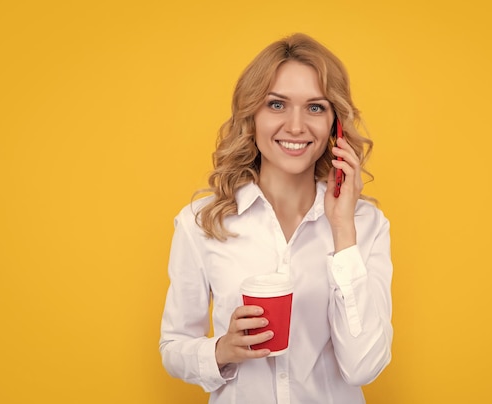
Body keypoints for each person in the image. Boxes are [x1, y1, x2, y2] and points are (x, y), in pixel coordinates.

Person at [159, 32, 393, 404]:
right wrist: (222, 350)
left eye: (315, 107)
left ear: (336, 124)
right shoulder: (201, 223)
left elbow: (364, 367)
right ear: (251, 116)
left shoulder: (365, 224)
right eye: (277, 105)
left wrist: (342, 231)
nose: (297, 126)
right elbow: (173, 346)